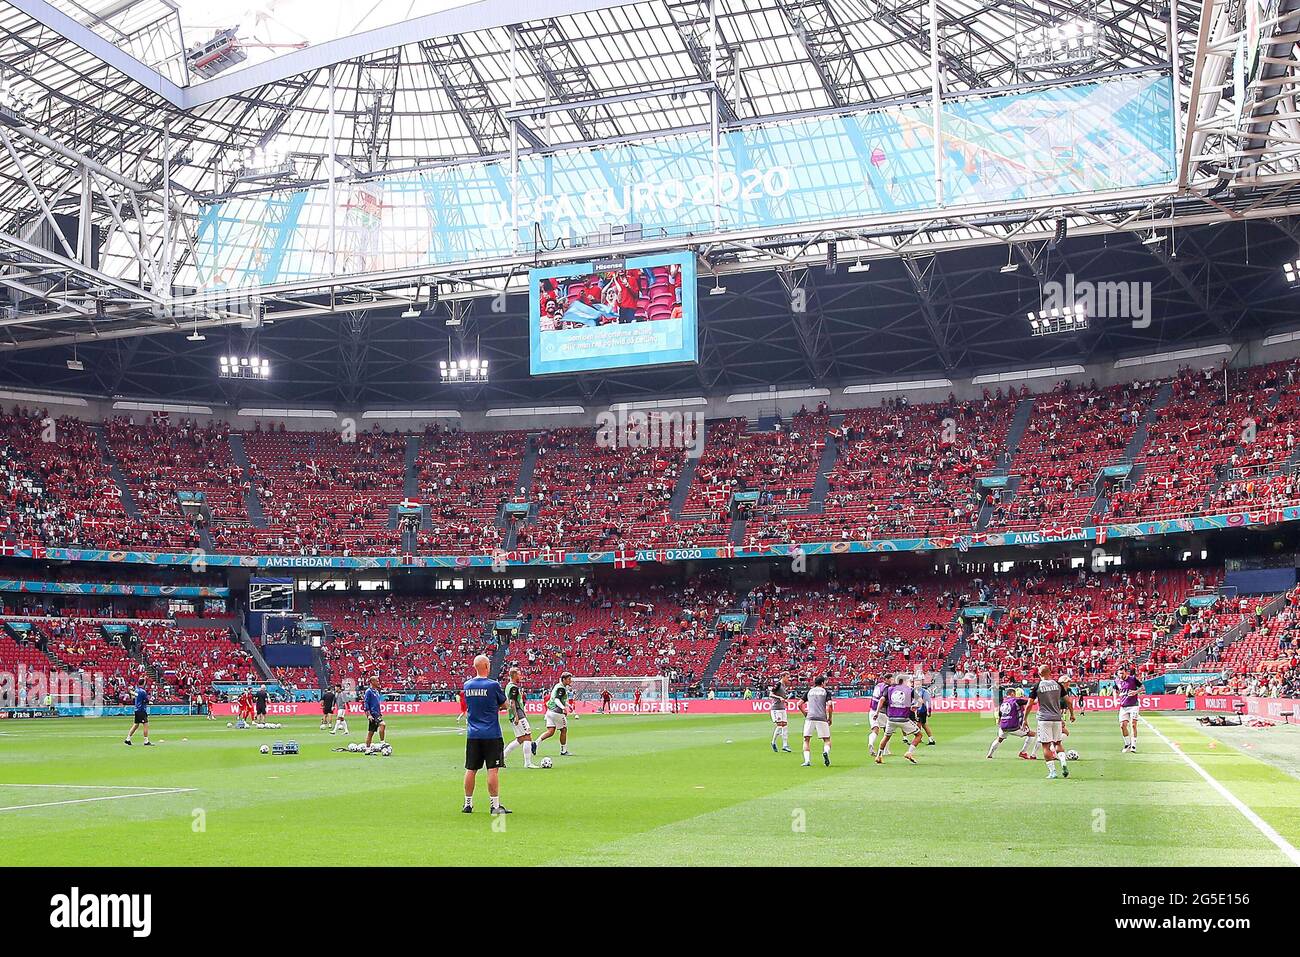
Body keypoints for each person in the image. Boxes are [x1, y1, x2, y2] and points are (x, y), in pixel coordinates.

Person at [462, 654, 510, 815]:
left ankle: (468, 803)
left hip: (473, 734)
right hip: (491, 734)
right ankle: (494, 805)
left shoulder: (467, 685)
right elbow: (505, 704)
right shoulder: (493, 685)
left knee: (471, 769)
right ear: (486, 667)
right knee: (492, 769)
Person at [1028, 664, 1076, 780]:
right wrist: (1072, 714)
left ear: (1039, 674)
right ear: (1050, 672)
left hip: (1044, 719)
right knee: (1058, 743)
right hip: (1057, 719)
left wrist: (1025, 719)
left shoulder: (1037, 686)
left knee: (1046, 746)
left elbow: (1029, 704)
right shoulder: (1058, 685)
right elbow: (1069, 701)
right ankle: (1063, 762)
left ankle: (1053, 772)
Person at [875, 674, 923, 765]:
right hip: (903, 719)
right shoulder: (910, 690)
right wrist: (915, 706)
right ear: (904, 681)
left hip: (891, 719)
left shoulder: (889, 689)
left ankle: (879, 756)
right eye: (909, 681)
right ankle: (909, 753)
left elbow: (882, 699)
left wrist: (877, 712)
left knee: (886, 737)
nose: (910, 683)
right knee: (919, 735)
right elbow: (921, 701)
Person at [502, 666, 538, 768]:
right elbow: (512, 702)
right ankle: (528, 763)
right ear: (514, 675)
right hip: (518, 713)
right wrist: (517, 716)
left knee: (520, 739)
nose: (520, 676)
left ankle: (502, 758)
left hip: (514, 714)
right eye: (519, 674)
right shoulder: (513, 687)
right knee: (527, 736)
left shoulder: (509, 686)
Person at [987, 688, 1037, 759]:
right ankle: (1023, 752)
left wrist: (999, 721)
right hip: (1013, 727)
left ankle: (990, 754)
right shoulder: (1017, 701)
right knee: (1032, 734)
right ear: (1012, 694)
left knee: (999, 739)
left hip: (1003, 726)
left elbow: (1000, 715)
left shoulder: (1003, 703)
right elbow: (1033, 702)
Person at [534, 671, 574, 757]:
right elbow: (557, 699)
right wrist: (563, 708)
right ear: (564, 679)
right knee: (563, 730)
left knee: (550, 731)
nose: (570, 681)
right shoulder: (561, 689)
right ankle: (563, 750)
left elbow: (559, 699)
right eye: (569, 679)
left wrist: (568, 705)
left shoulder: (557, 686)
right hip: (557, 712)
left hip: (549, 711)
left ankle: (535, 743)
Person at [798, 676, 833, 767]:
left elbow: (799, 704)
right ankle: (825, 752)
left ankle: (807, 761)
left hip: (810, 718)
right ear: (822, 683)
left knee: (806, 740)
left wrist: (805, 713)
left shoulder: (809, 691)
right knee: (826, 739)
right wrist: (830, 717)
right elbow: (829, 705)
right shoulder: (825, 692)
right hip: (821, 718)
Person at [1116, 666, 1141, 753]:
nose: (1121, 675)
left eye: (1122, 673)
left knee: (1133, 724)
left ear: (1126, 672)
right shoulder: (1117, 681)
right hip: (1123, 706)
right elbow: (1115, 690)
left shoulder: (1133, 679)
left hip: (1134, 705)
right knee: (1122, 726)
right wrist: (1115, 699)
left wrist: (1135, 692)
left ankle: (1133, 745)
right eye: (1119, 673)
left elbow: (1142, 687)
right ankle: (1127, 743)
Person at [769, 672, 792, 753]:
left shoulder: (784, 686)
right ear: (783, 677)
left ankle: (785, 745)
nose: (788, 679)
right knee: (779, 726)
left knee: (785, 726)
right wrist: (779, 697)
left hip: (782, 708)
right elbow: (770, 694)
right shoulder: (778, 684)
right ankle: (773, 742)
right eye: (787, 677)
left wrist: (784, 701)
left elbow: (782, 697)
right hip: (776, 709)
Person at [124, 682, 152, 746]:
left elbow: (134, 695)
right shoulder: (143, 691)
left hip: (136, 710)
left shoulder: (136, 690)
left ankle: (128, 739)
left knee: (136, 725)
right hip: (141, 710)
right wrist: (150, 702)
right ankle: (146, 741)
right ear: (143, 683)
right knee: (145, 724)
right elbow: (146, 700)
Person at [363, 677, 386, 753]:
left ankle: (367, 749)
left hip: (377, 713)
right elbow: (366, 703)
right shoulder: (368, 691)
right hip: (373, 714)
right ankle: (382, 743)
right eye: (377, 681)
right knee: (382, 724)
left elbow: (377, 704)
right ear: (372, 682)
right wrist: (368, 715)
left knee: (371, 732)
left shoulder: (376, 691)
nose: (378, 682)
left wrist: (380, 713)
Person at [915, 681, 935, 745]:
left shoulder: (924, 692)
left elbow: (928, 702)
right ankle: (929, 739)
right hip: (918, 710)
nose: (916, 685)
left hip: (922, 710)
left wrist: (929, 711)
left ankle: (929, 739)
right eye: (915, 684)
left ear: (921, 685)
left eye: (918, 684)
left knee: (920, 725)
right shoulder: (915, 691)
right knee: (922, 725)